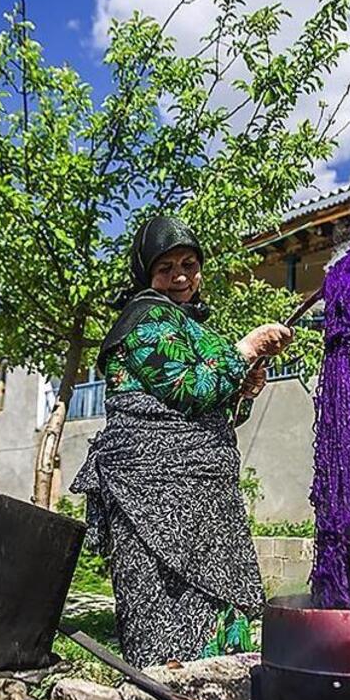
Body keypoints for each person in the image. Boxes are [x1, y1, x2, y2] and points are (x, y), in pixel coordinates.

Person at [71, 214, 293, 667]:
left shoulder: (193, 327)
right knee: (165, 608)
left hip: (203, 494)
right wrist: (246, 350)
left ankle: (221, 693)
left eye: (189, 264)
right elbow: (188, 388)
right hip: (155, 494)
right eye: (165, 268)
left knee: (215, 614)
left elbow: (215, 408)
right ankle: (164, 697)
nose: (180, 277)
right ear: (146, 274)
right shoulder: (145, 318)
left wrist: (244, 390)